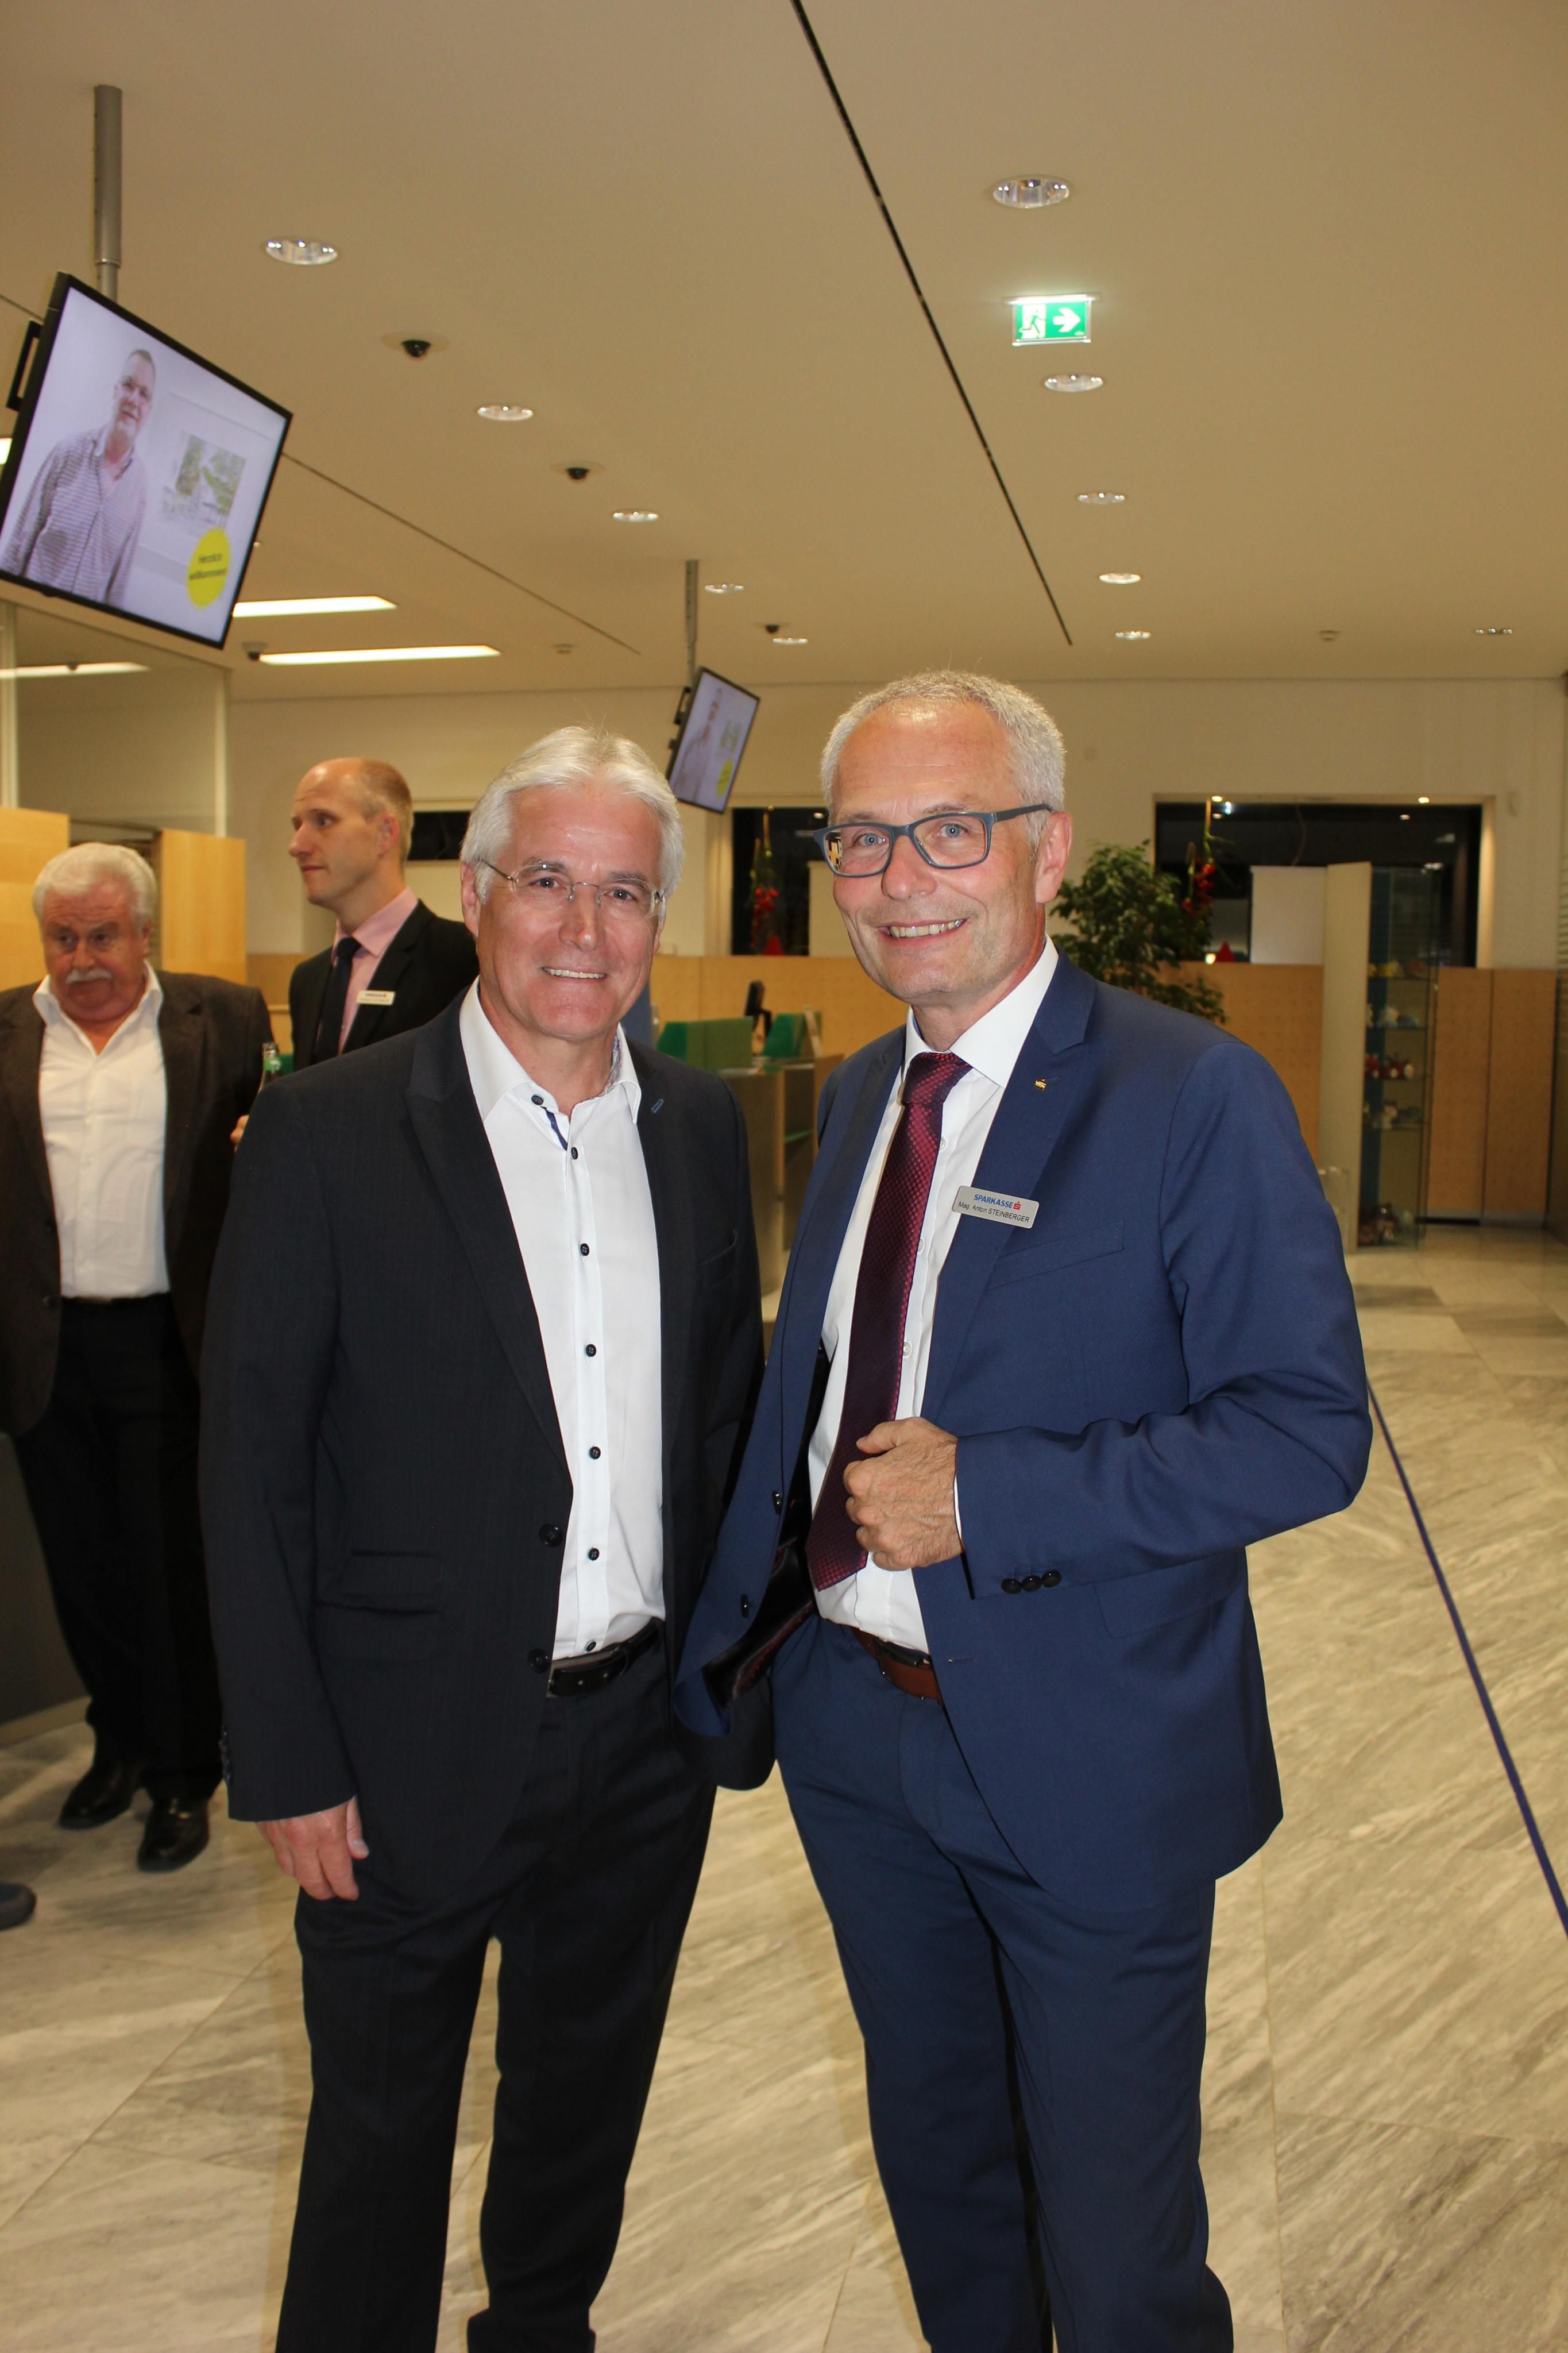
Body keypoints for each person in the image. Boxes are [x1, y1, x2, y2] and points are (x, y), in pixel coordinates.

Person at [677, 671, 1372, 2352]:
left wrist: (991, 1495)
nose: (900, 876)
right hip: (855, 1732)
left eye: (951, 830)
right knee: (947, 2187)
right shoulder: (865, 1092)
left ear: (1047, 850)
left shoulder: (1190, 1095)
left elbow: (1307, 1431)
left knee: (1118, 2258)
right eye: (861, 839)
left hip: (1086, 1754)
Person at [201, 727, 761, 2352]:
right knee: (377, 2150)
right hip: (395, 1753)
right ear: (475, 891)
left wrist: (733, 1680)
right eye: (548, 882)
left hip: (638, 1744)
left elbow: (719, 1419)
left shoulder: (698, 1127)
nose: (585, 930)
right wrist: (288, 1759)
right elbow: (251, 1463)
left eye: (625, 893)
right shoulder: (327, 1130)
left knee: (583, 2103)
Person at [0, 843, 272, 1872]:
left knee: (169, 1571)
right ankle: (115, 1744)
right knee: (82, 1568)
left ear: (145, 933)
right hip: (47, 1345)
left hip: (169, 1341)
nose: (81, 960)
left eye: (102, 936)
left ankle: (182, 1774)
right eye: (63, 938)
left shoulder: (222, 1018)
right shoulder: (8, 1029)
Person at [287, 757, 477, 1066]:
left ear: (385, 833)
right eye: (298, 825)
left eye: (322, 821)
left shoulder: (466, 960)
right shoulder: (307, 981)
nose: (296, 845)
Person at [1, 347, 155, 605]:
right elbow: (21, 538)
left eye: (144, 394)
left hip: (75, 626)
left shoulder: (139, 486)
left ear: (149, 410)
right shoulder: (68, 452)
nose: (133, 399)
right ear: (115, 391)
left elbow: (117, 587)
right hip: (28, 610)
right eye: (128, 385)